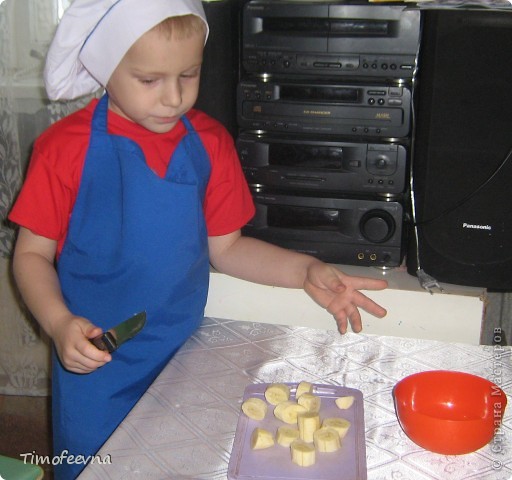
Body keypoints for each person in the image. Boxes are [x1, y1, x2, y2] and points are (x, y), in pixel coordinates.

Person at [8, 0, 388, 478]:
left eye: (188, 75)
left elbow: (227, 249)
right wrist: (59, 322)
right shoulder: (63, 149)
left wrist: (304, 270)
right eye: (150, 80)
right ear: (105, 70)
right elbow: (30, 256)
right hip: (93, 362)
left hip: (181, 357)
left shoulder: (208, 143)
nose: (173, 97)